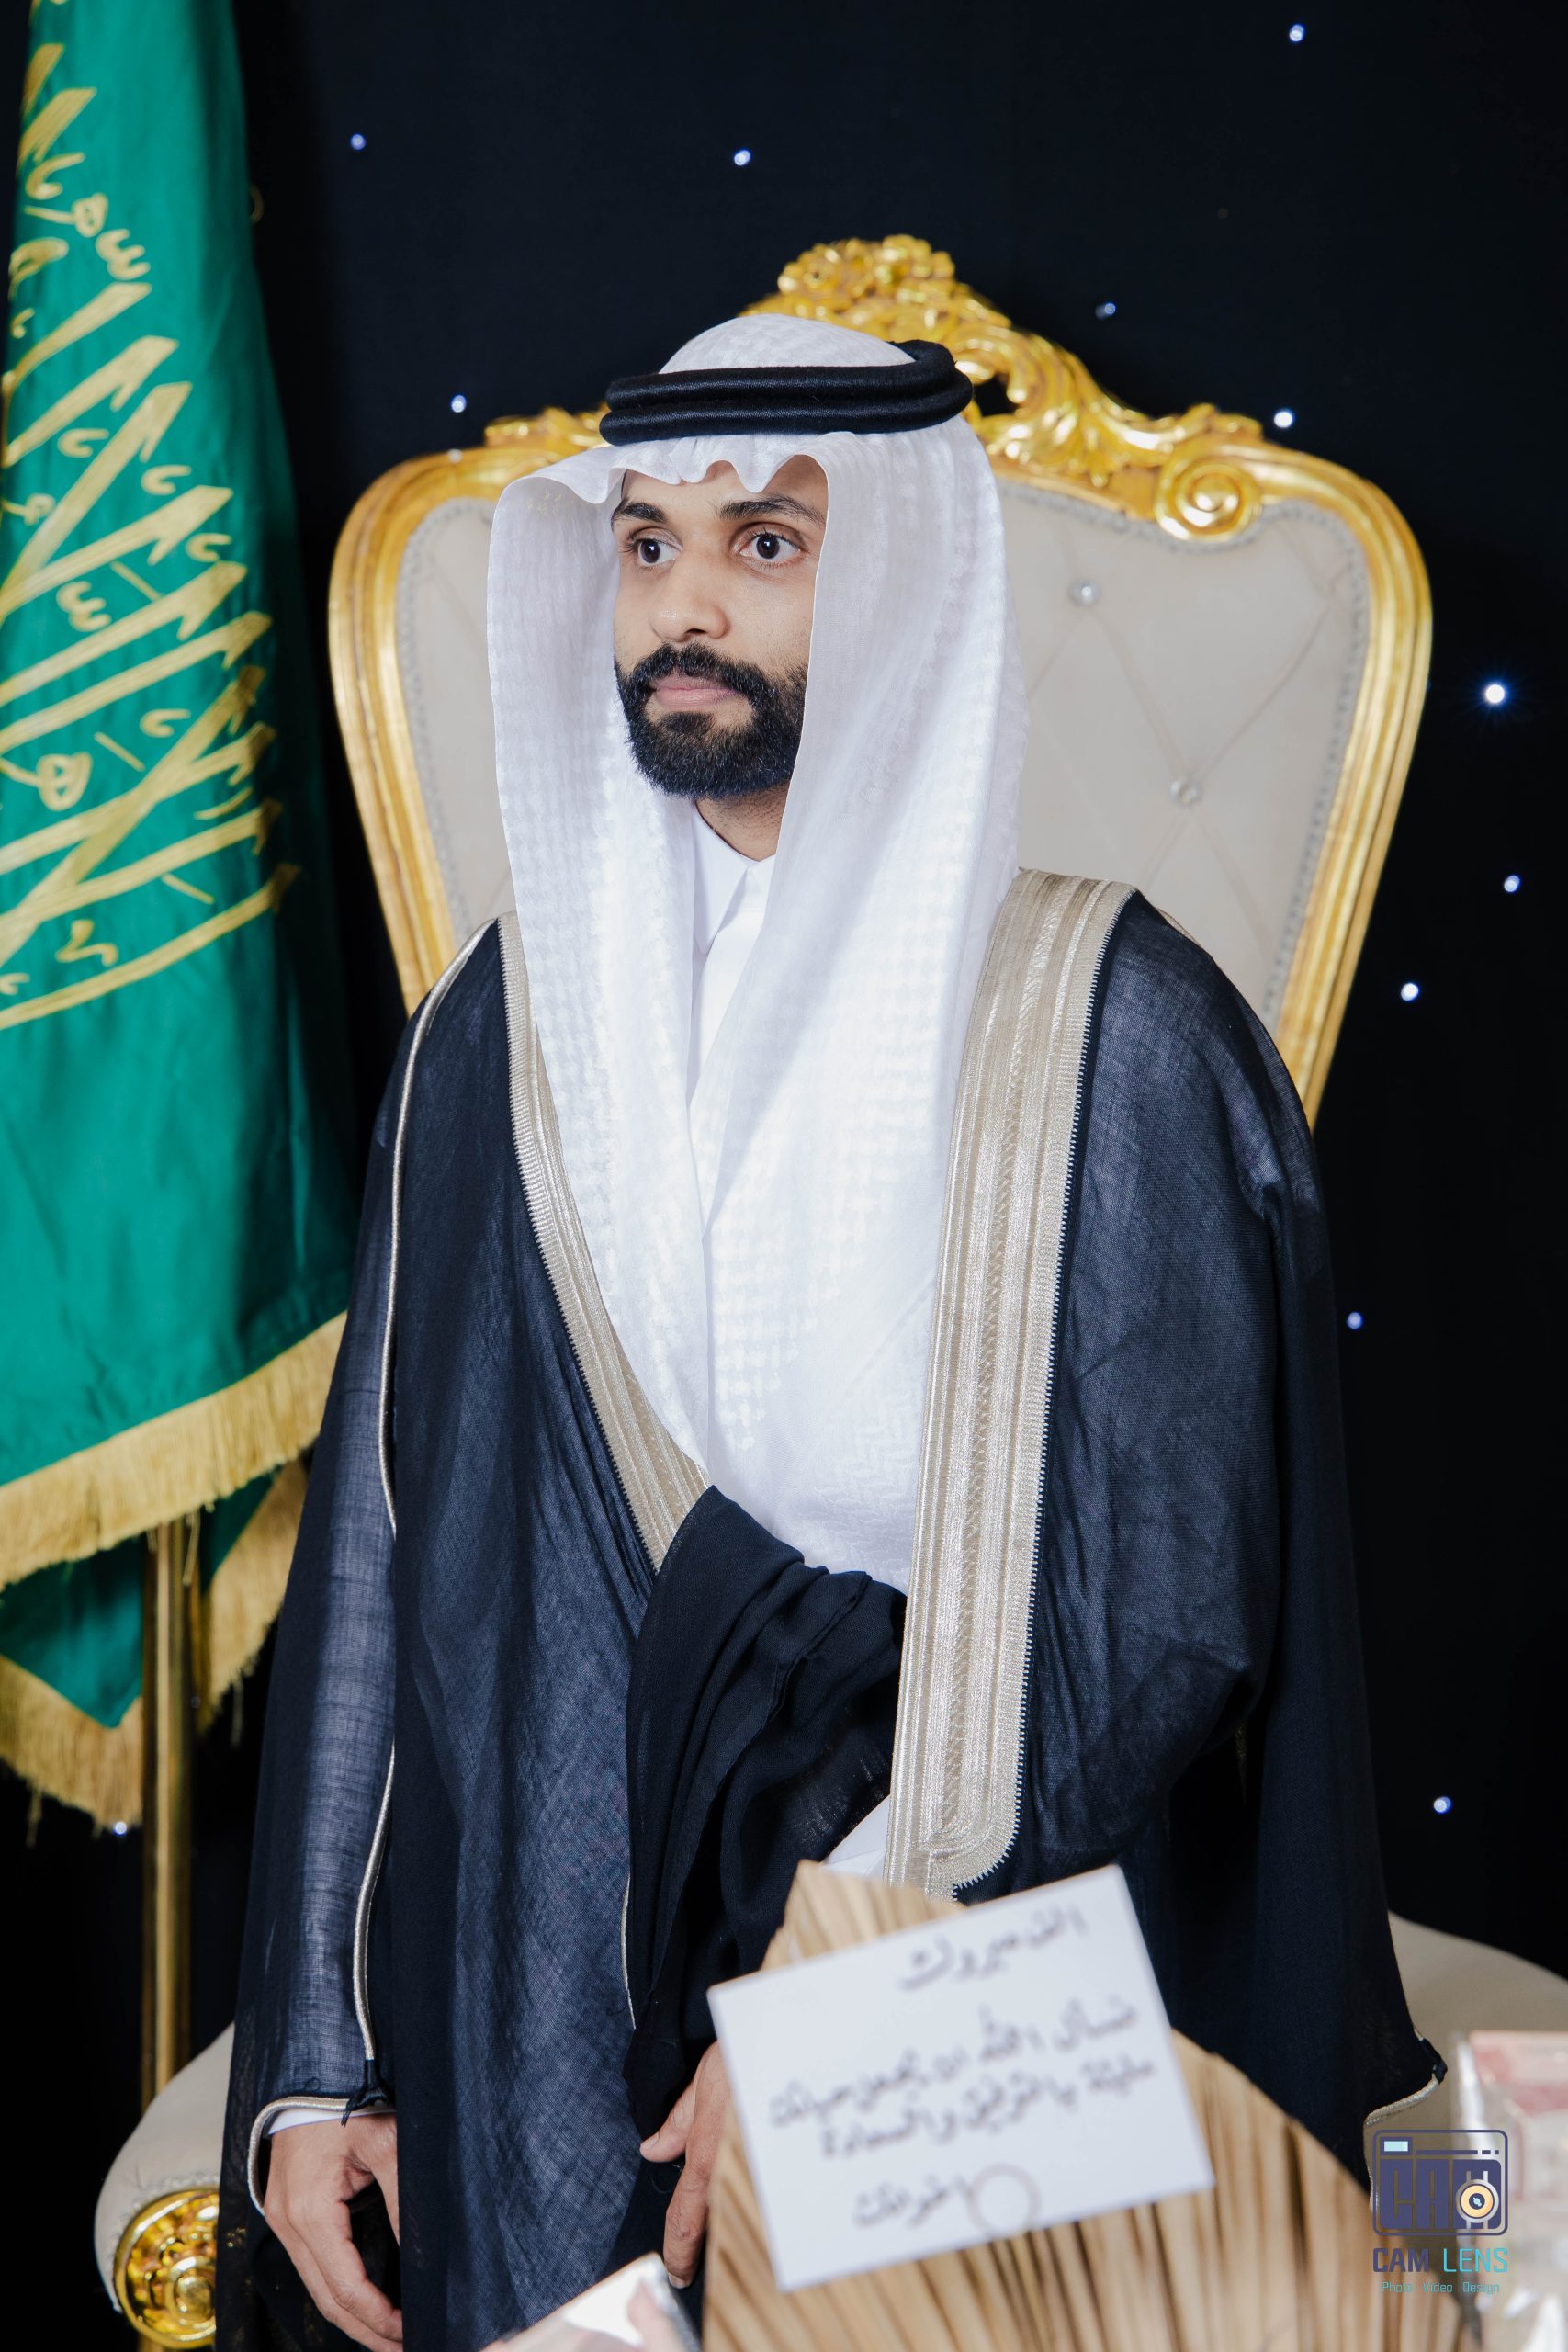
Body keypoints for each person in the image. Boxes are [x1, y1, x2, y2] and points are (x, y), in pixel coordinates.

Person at [218, 314, 1443, 2352]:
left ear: (900, 584)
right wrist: (321, 2059)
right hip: (551, 1954)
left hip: (983, 1956)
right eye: (645, 544)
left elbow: (1159, 1619)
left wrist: (843, 2013)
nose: (681, 607)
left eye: (764, 546)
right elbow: (386, 1547)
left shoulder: (1112, 1033)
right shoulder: (499, 1030)